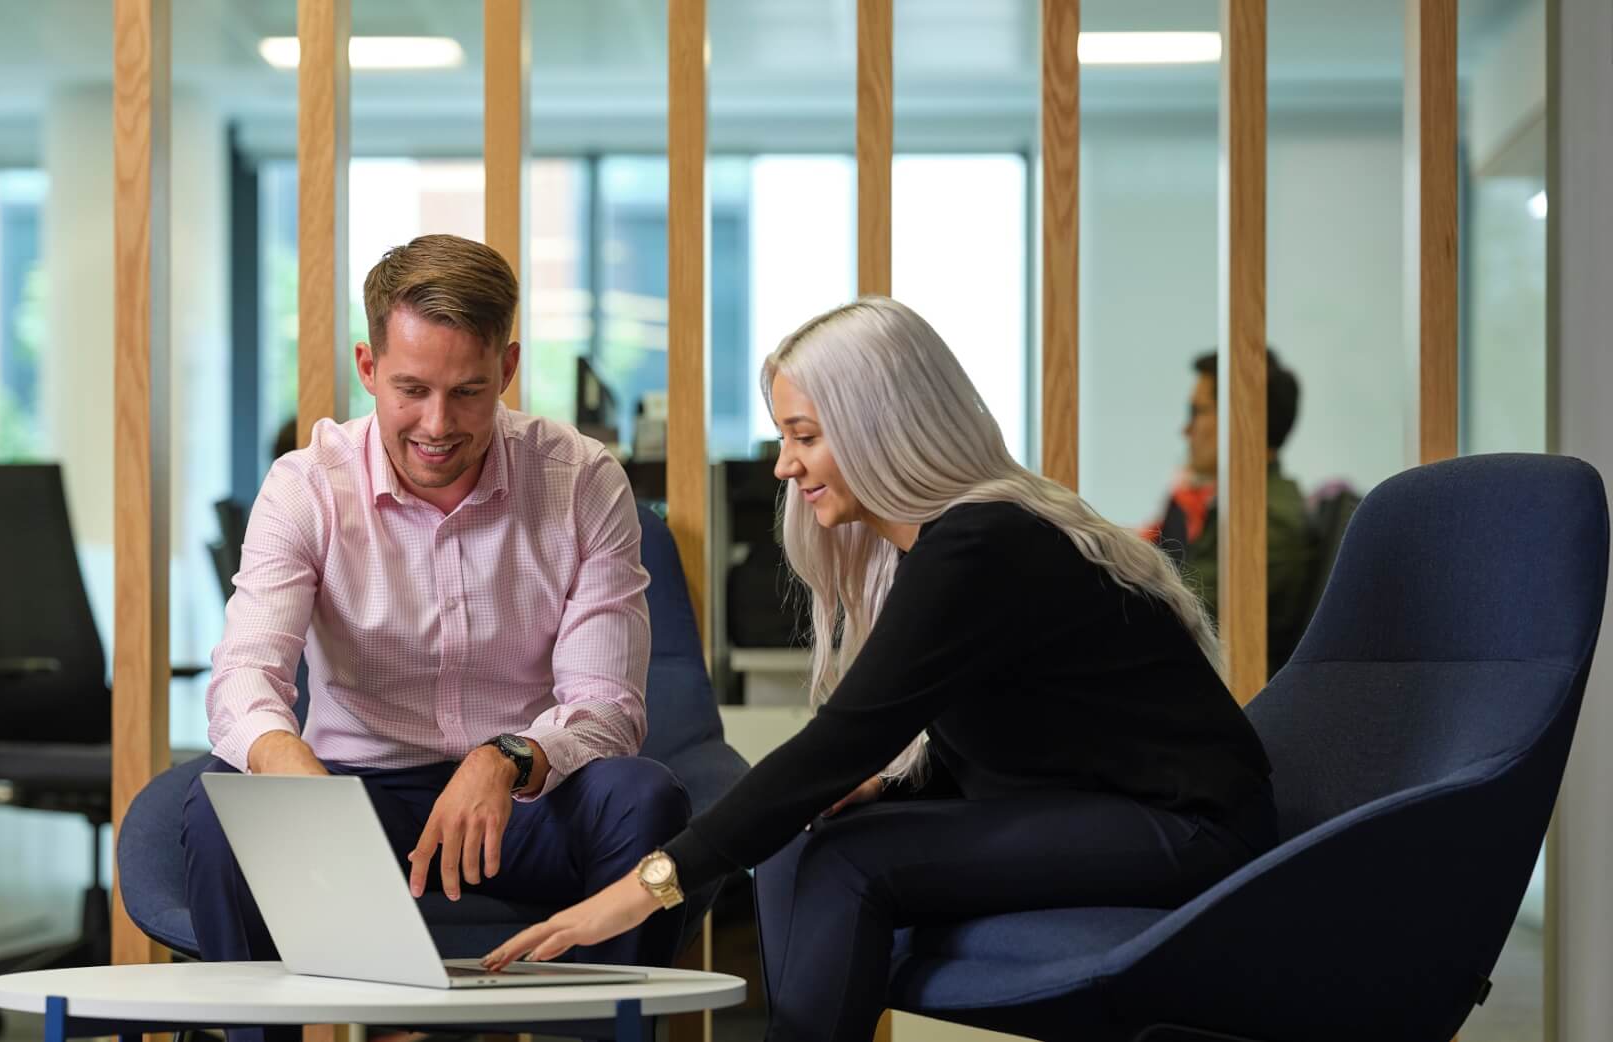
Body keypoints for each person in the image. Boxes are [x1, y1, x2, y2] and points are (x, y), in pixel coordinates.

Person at [483, 298, 1278, 1042]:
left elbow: (842, 741)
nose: (783, 466)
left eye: (804, 435)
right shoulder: (946, 547)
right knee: (804, 836)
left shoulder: (981, 544)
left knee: (848, 858)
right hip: (1104, 807)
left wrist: (646, 886)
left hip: (1190, 830)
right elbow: (1026, 737)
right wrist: (886, 789)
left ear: (878, 428)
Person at [185, 235, 690, 1041]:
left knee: (644, 797)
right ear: (367, 367)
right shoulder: (306, 486)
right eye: (411, 389)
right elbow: (245, 678)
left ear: (510, 368)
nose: (437, 425)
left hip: (525, 805)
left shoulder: (583, 480)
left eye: (469, 392)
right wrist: (302, 783)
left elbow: (609, 707)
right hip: (358, 792)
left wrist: (507, 756)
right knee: (223, 811)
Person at [1145, 349, 1316, 675]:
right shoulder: (1243, 506)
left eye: (1196, 411)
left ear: (1239, 419)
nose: (1186, 429)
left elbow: (1176, 612)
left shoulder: (1265, 520)